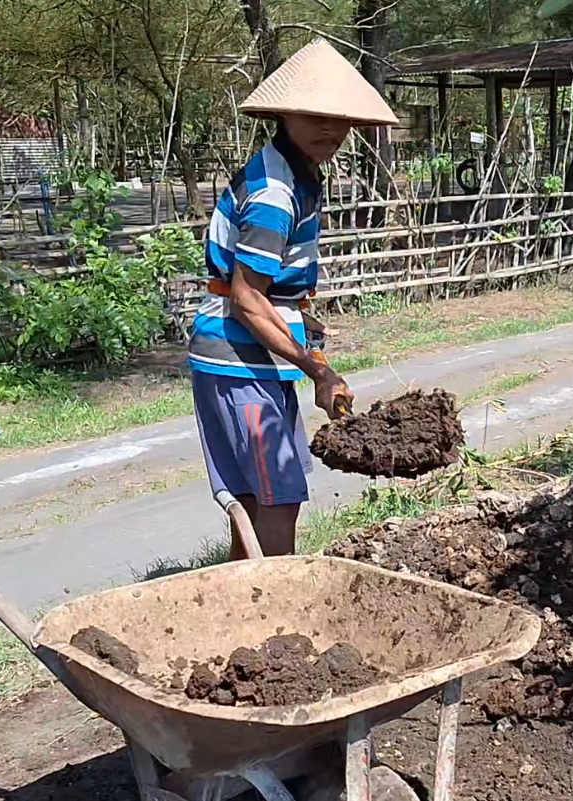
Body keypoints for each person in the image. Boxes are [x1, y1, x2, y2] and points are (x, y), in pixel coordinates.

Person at [187, 38, 399, 559]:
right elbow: (246, 300)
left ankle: (245, 594)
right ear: (284, 115)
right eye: (313, 115)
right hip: (239, 359)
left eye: (339, 118)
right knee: (277, 493)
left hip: (247, 357)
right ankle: (277, 604)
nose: (329, 128)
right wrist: (318, 371)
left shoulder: (293, 173)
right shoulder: (274, 195)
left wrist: (304, 322)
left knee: (255, 495)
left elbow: (269, 289)